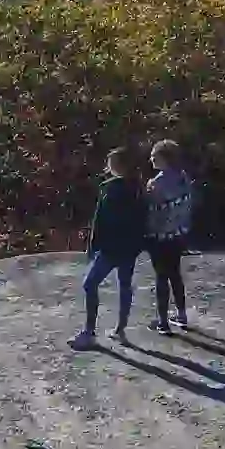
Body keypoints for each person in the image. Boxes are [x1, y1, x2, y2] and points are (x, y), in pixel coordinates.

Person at [69, 147, 146, 350]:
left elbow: (100, 220)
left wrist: (93, 246)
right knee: (125, 286)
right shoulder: (138, 188)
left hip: (111, 248)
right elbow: (143, 219)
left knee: (90, 284)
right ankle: (120, 329)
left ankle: (89, 331)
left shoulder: (109, 188)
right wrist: (139, 243)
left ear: (117, 166)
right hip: (129, 247)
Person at [144, 139, 194, 335]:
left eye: (154, 156)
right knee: (175, 274)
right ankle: (181, 314)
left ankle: (163, 321)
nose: (151, 159)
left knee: (161, 278)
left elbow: (152, 212)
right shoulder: (183, 178)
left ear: (164, 159)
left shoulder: (155, 184)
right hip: (179, 234)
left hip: (160, 237)